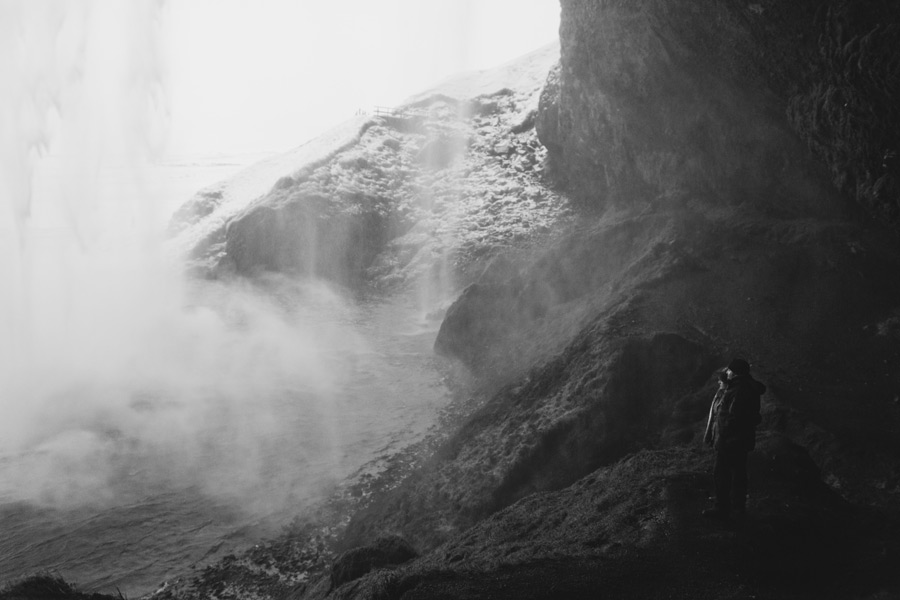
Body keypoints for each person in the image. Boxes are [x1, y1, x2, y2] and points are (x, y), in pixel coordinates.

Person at [703, 358, 765, 518]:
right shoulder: (745, 387)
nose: (727, 373)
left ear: (735, 372)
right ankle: (738, 508)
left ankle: (723, 508)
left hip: (730, 441)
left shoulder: (738, 390)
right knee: (738, 473)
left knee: (722, 473)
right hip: (740, 440)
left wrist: (722, 435)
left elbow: (734, 417)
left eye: (729, 370)